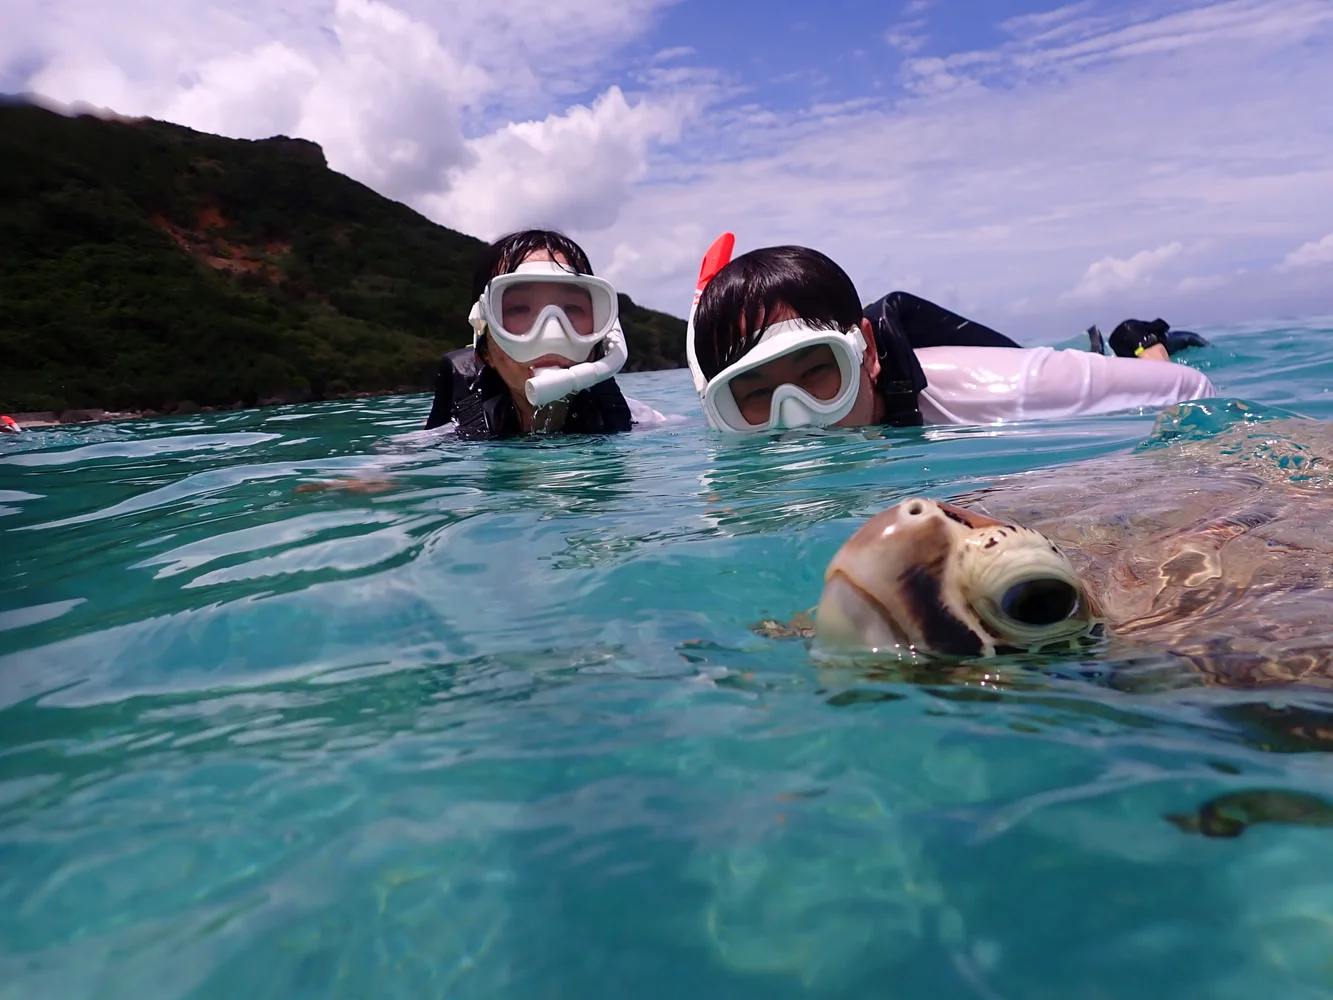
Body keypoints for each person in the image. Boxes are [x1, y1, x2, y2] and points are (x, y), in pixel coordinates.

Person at [684, 233, 1217, 432]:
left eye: (818, 371)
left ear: (864, 352)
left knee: (1155, 366)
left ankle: (1140, 340)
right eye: (756, 393)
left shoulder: (1010, 387)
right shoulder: (735, 445)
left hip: (971, 363)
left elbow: (1192, 392)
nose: (795, 419)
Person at [424, 229, 663, 439]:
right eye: (518, 309)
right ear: (485, 349)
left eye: (572, 309)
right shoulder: (450, 437)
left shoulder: (640, 422)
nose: (552, 334)